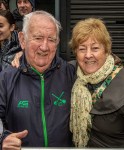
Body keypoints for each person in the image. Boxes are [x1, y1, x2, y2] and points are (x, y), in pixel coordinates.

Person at [69, 18, 124, 149]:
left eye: (95, 48)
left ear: (106, 51)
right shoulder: (73, 75)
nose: (88, 55)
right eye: (82, 49)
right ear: (75, 53)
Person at [0, 10, 75, 149]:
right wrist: (2, 138)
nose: (45, 46)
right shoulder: (6, 78)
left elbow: (97, 61)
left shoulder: (71, 73)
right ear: (22, 39)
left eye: (51, 39)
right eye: (38, 38)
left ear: (57, 42)